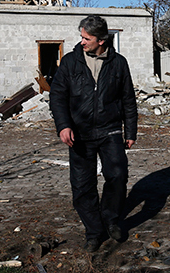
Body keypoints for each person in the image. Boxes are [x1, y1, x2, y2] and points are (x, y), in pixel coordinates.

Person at [49, 15, 138, 252]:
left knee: (118, 176)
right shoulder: (70, 62)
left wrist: (130, 131)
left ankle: (110, 220)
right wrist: (63, 125)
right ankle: (94, 232)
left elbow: (128, 99)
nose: (81, 42)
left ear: (101, 40)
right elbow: (57, 96)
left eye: (86, 38)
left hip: (110, 131)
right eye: (81, 36)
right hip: (79, 133)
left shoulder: (119, 63)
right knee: (82, 185)